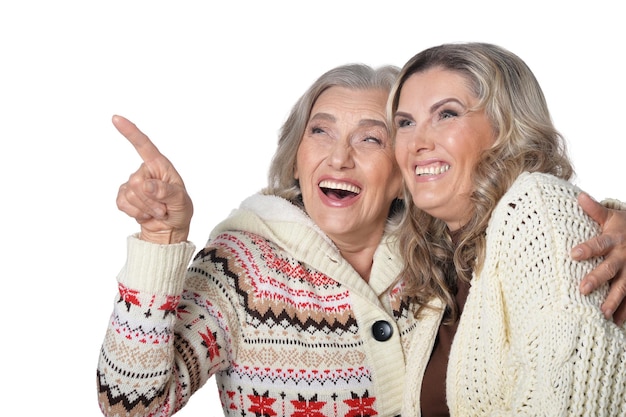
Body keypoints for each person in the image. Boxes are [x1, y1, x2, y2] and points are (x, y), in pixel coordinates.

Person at [97, 63, 626, 417]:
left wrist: (616, 224)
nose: (339, 157)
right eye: (320, 131)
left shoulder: (443, 248)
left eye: (371, 137)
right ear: (297, 155)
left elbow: (540, 234)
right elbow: (132, 403)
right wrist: (161, 240)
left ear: (404, 167)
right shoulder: (241, 266)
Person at [390, 42, 626, 416]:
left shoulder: (537, 208)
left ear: (506, 126)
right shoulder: (443, 256)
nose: (418, 142)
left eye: (446, 114)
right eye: (405, 123)